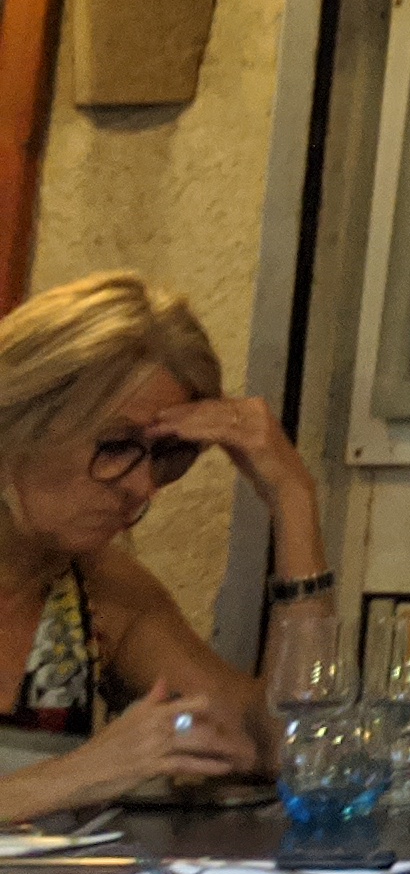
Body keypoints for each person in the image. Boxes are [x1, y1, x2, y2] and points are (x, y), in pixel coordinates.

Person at [0, 272, 328, 820]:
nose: (143, 486)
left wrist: (292, 499)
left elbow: (288, 745)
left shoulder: (93, 592)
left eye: (164, 456)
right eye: (116, 445)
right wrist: (82, 772)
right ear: (20, 424)